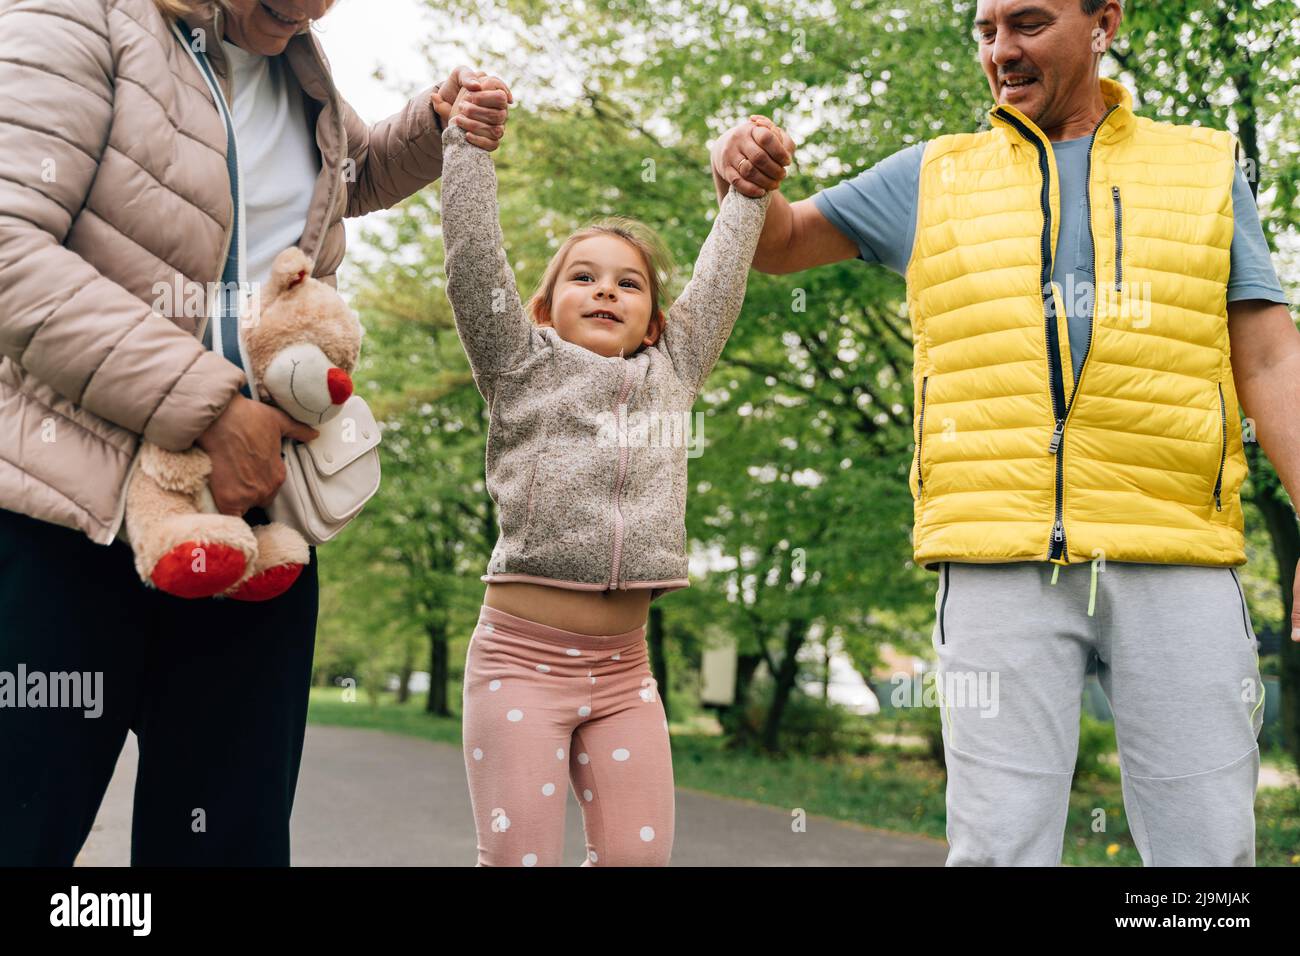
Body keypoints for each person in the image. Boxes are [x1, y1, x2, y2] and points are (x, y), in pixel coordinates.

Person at [712, 0, 1293, 865]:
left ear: (1104, 23)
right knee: (998, 850)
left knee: (1207, 853)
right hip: (996, 553)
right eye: (985, 31)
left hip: (1176, 545)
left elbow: (1271, 359)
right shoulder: (932, 176)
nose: (1000, 50)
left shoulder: (1204, 166)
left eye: (1026, 24)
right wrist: (740, 177)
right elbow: (784, 242)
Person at [0, 0, 508, 866]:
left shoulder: (298, 65)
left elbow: (354, 172)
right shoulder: (74, 16)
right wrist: (208, 408)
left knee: (226, 845)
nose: (314, 6)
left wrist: (430, 121)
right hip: (69, 524)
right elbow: (11, 250)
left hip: (254, 526)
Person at [435, 85, 783, 865]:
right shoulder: (518, 364)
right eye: (583, 278)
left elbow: (722, 277)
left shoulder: (676, 369)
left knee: (636, 861)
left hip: (627, 674)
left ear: (655, 322)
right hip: (520, 663)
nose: (605, 290)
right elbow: (472, 261)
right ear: (541, 309)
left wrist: (750, 192)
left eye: (628, 284)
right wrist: (467, 150)